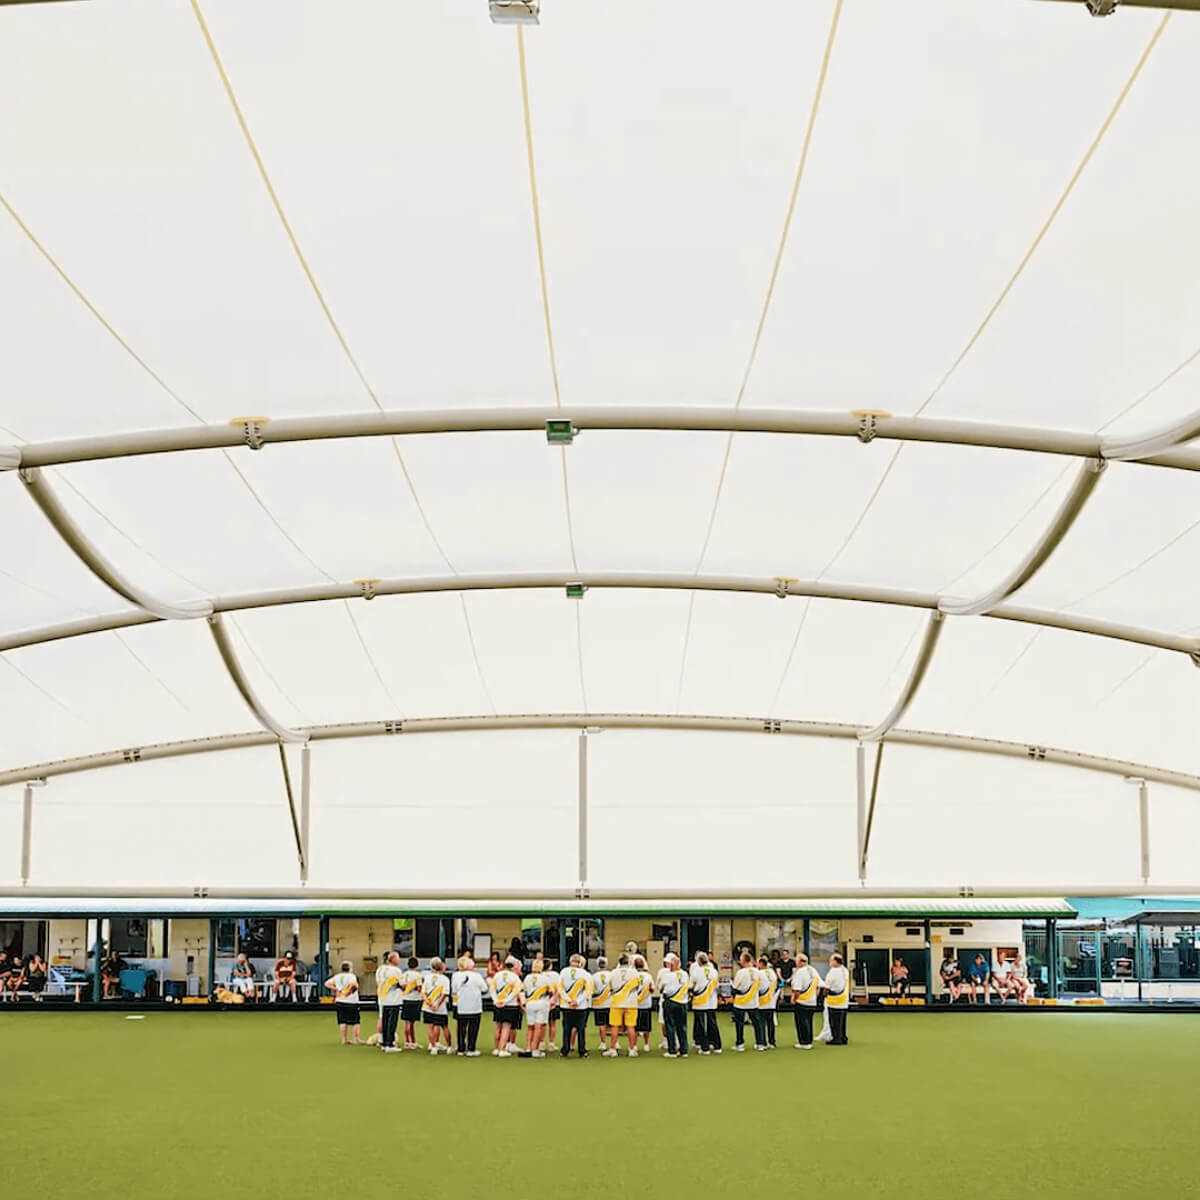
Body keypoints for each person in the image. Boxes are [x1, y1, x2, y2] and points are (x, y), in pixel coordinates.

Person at [605, 953, 640, 1057]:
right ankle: (632, 1049)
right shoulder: (635, 972)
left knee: (614, 1026)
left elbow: (609, 986)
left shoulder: (613, 973)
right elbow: (638, 985)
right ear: (628, 962)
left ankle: (613, 1049)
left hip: (616, 1002)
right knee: (631, 1026)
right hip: (631, 1003)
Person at [558, 953, 592, 1058]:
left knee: (566, 1028)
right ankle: (582, 1051)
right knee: (581, 1028)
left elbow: (560, 988)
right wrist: (578, 1001)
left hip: (566, 1005)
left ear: (570, 961)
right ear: (580, 963)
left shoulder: (563, 972)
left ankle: (565, 1050)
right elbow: (588, 991)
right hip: (581, 1006)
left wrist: (569, 1001)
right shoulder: (585, 974)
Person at [451, 955, 486, 1056]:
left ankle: (461, 1048)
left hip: (461, 1006)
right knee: (473, 1028)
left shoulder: (455, 975)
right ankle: (471, 1048)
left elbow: (454, 990)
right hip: (475, 1006)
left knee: (461, 1027)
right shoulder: (477, 976)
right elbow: (484, 988)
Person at [656, 952, 690, 1057]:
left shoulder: (668, 976)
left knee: (670, 1026)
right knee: (682, 1027)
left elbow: (661, 988)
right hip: (683, 1003)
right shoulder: (685, 974)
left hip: (670, 1002)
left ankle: (672, 1050)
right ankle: (683, 1050)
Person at [489, 955, 523, 1057]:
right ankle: (503, 1049)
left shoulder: (497, 975)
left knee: (498, 1026)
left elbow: (492, 988)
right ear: (513, 967)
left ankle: (496, 1048)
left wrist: (496, 1000)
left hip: (498, 1004)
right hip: (510, 1005)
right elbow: (515, 992)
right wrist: (506, 1001)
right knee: (506, 1027)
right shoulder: (515, 977)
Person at [689, 951, 720, 1054]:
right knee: (713, 1023)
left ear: (698, 961)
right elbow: (717, 986)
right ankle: (716, 1046)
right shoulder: (714, 971)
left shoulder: (696, 972)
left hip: (699, 1001)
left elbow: (691, 986)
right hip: (712, 1001)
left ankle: (704, 1048)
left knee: (701, 1024)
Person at [324, 960, 362, 1044]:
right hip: (351, 1001)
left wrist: (337, 989)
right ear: (350, 968)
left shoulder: (337, 976)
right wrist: (348, 992)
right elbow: (354, 985)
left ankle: (344, 1039)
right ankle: (356, 1039)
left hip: (340, 1000)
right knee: (356, 1021)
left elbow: (327, 983)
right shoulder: (351, 976)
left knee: (342, 1020)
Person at [521, 956, 553, 1057]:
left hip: (530, 1003)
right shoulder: (545, 978)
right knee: (538, 1027)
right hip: (541, 1003)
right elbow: (551, 991)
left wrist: (523, 1003)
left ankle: (528, 1048)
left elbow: (523, 991)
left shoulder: (527, 978)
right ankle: (535, 1050)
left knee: (530, 1027)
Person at [421, 957, 452, 1054]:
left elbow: (423, 993)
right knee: (443, 1026)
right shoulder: (444, 979)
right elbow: (444, 994)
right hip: (440, 1008)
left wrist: (429, 1003)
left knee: (430, 1026)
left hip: (427, 1006)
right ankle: (449, 1046)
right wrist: (437, 1004)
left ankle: (433, 1046)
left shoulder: (427, 977)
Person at [731, 951, 761, 1051]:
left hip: (741, 1003)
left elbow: (735, 987)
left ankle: (740, 1044)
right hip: (753, 1002)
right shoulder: (757, 972)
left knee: (739, 1024)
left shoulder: (740, 972)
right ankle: (760, 1043)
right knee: (757, 1023)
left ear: (743, 961)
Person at [790, 953, 821, 1049]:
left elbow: (797, 989)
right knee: (809, 1021)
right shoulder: (813, 970)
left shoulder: (800, 972)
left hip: (802, 1001)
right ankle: (809, 1040)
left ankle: (804, 1042)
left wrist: (794, 999)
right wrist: (815, 997)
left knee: (801, 1022)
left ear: (800, 962)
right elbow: (818, 986)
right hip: (812, 1001)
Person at [376, 951, 404, 1052]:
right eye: (398, 957)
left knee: (384, 1020)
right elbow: (402, 984)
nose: (399, 959)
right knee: (392, 1022)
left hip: (383, 998)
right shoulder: (396, 970)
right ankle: (390, 1044)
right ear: (393, 959)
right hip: (394, 999)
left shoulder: (380, 969)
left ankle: (383, 1042)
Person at [821, 953, 850, 1046]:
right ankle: (843, 1037)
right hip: (844, 999)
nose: (829, 962)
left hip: (834, 1000)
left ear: (835, 961)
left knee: (834, 1021)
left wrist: (824, 995)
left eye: (831, 960)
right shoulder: (845, 970)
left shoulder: (832, 972)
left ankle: (836, 1038)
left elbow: (827, 986)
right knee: (842, 1021)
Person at [400, 956, 424, 1049]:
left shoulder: (404, 974)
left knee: (406, 1021)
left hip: (405, 999)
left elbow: (402, 986)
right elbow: (419, 988)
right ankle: (412, 1042)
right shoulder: (418, 975)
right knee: (411, 1022)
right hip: (414, 1000)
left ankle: (408, 1041)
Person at [633, 954, 655, 1054]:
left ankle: (634, 1045)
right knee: (646, 1026)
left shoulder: (632, 975)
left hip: (634, 1004)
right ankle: (646, 1044)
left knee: (635, 1026)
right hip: (646, 1004)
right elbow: (653, 989)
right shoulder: (649, 976)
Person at [756, 954, 778, 1048]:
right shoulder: (772, 973)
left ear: (761, 964)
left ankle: (762, 1043)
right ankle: (772, 1042)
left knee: (761, 1023)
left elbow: (757, 987)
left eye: (757, 963)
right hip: (771, 1002)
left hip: (762, 1002)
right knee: (770, 1023)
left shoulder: (759, 974)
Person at [591, 956, 612, 1050]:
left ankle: (603, 1043)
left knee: (601, 1024)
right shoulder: (611, 974)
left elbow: (592, 990)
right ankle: (615, 1043)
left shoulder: (593, 976)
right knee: (612, 1024)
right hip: (611, 1003)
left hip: (598, 1004)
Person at [542, 958, 562, 1052]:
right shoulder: (556, 975)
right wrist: (554, 999)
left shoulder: (540, 975)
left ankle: (541, 1043)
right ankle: (551, 1043)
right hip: (554, 1002)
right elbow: (559, 989)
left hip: (543, 1002)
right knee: (552, 1024)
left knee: (543, 1024)